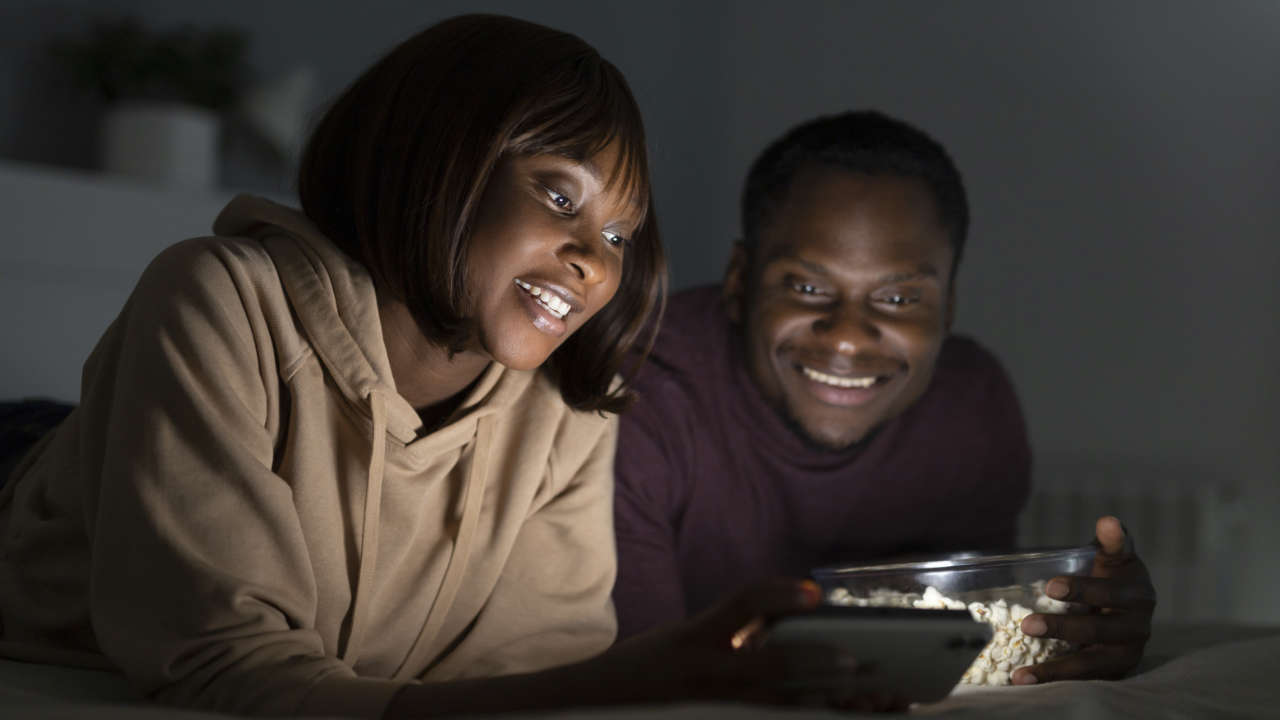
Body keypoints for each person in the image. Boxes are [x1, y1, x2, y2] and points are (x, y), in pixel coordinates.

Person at [0, 15, 860, 718]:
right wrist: (653, 673)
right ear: (436, 158)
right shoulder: (219, 296)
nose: (594, 261)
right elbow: (220, 658)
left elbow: (527, 680)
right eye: (560, 197)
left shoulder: (571, 409)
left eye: (617, 236)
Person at [613, 111, 1156, 685]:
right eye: (806, 287)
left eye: (898, 298)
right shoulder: (633, 394)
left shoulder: (970, 409)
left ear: (947, 307)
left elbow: (966, 649)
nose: (847, 336)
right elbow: (643, 680)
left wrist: (1073, 628)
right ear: (739, 281)